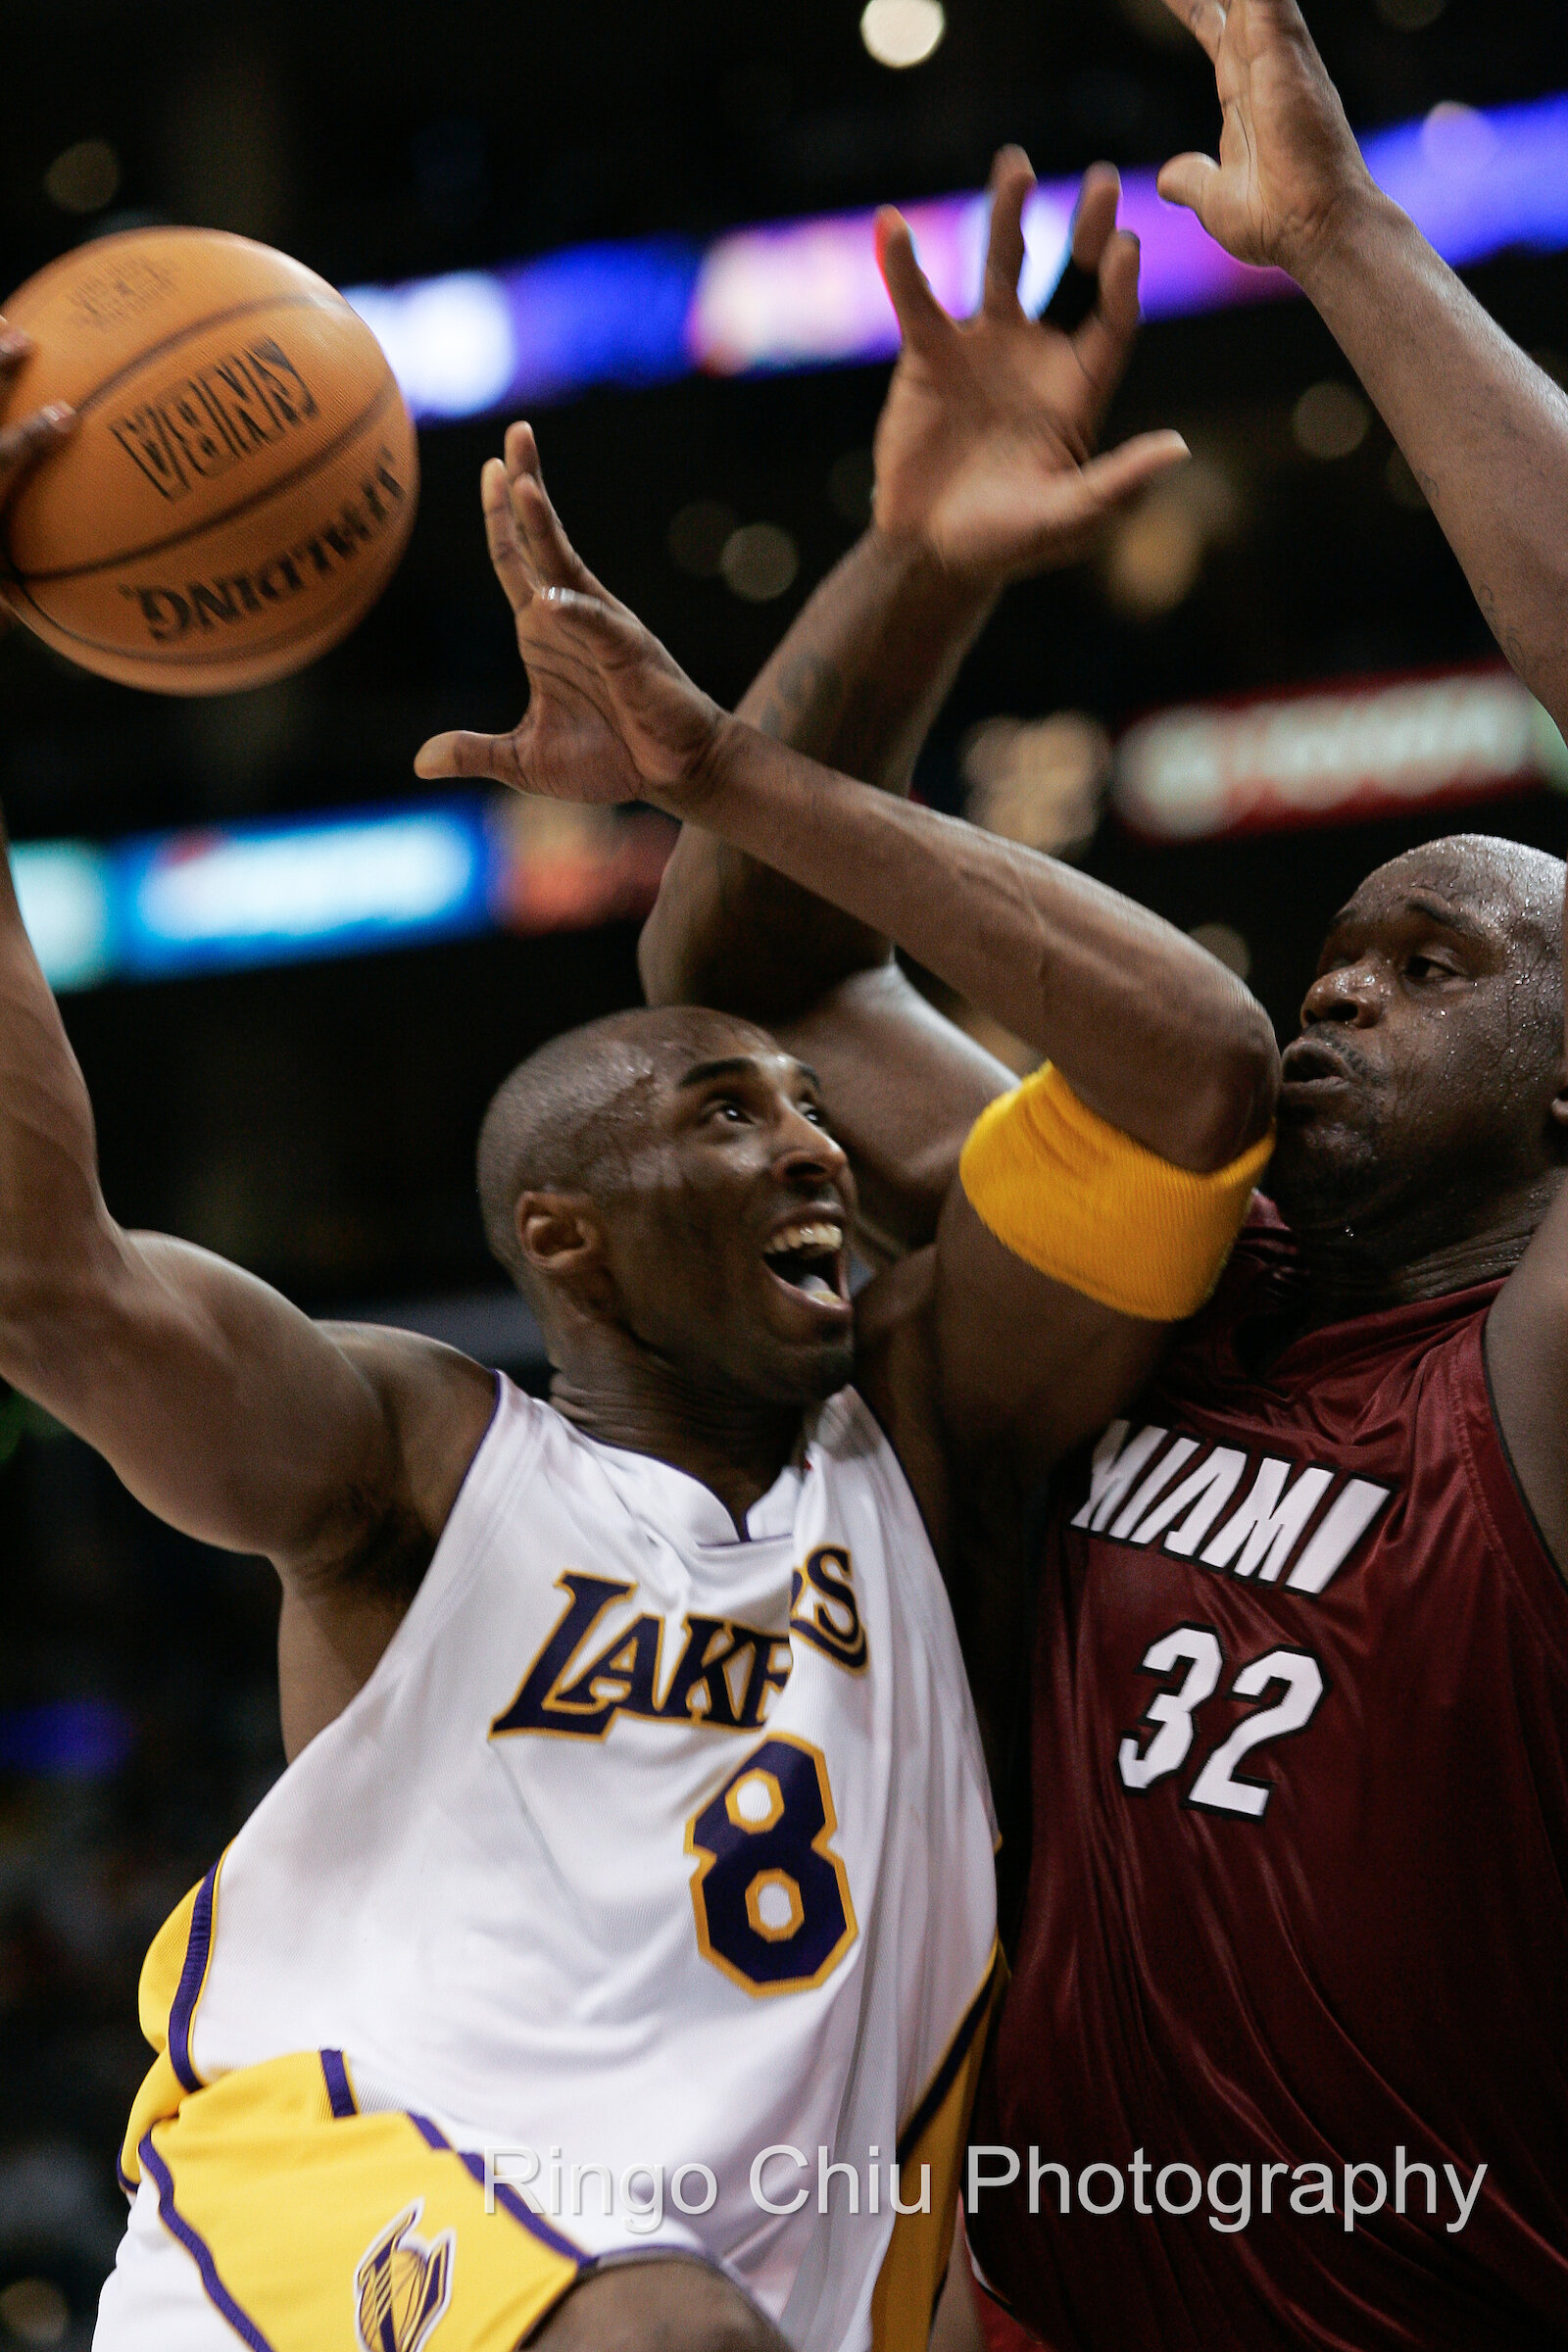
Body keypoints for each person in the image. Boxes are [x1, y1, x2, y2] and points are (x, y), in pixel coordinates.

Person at [0, 198, 1274, 2352]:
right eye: (716, 1113)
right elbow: (59, 1286)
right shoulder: (410, 1459)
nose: (800, 1136)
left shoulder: (927, 1425)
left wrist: (923, 561)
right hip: (327, 2239)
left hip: (767, 2295)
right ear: (557, 1241)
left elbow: (1188, 1086)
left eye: (798, 1102)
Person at [643, 7, 1568, 2347]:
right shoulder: (1186, 1268)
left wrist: (1345, 244)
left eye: (1428, 966)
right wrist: (915, 568)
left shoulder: (1532, 1370)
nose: (1334, 998)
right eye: (1332, 956)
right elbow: (738, 968)